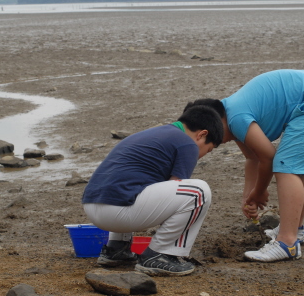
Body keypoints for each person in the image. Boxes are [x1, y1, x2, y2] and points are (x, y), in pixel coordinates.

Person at [184, 69, 304, 262]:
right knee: (296, 169)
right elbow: (253, 158)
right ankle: (296, 231)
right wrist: (248, 198)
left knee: (287, 167)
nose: (216, 144)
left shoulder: (237, 118)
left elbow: (268, 157)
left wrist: (259, 192)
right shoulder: (232, 116)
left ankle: (287, 243)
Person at [81, 105, 223, 276]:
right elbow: (175, 187)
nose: (201, 156)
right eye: (207, 150)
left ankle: (117, 249)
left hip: (92, 205)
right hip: (117, 212)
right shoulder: (187, 143)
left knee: (133, 185)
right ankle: (160, 255)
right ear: (202, 134)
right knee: (198, 192)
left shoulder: (153, 133)